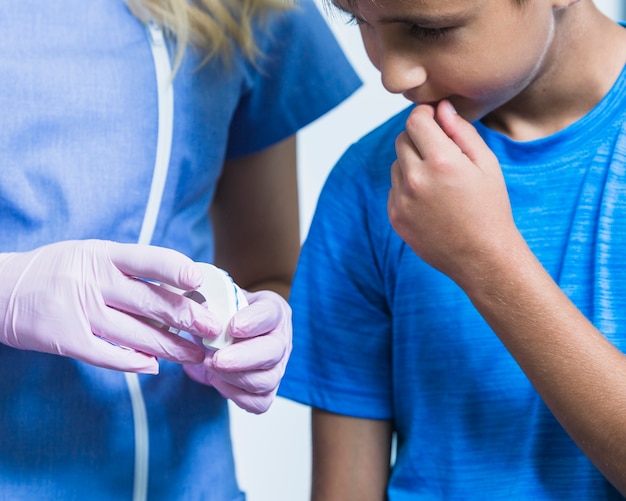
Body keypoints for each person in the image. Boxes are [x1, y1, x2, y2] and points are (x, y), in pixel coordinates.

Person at [0, 0, 360, 499]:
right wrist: (6, 290)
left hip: (190, 480)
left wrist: (253, 333)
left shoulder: (252, 8)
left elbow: (265, 269)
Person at [278, 0, 626, 498]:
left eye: (427, 28)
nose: (393, 76)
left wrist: (486, 258)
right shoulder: (370, 186)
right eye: (363, 23)